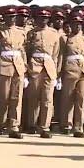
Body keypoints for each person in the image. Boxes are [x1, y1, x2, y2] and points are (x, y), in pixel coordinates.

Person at [0, 6, 27, 138]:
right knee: (3, 98)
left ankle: (14, 126)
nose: (12, 19)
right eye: (9, 17)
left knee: (16, 98)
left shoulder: (21, 32)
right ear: (5, 18)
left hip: (18, 66)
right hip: (4, 65)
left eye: (13, 17)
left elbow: (23, 51)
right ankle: (0, 125)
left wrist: (26, 69)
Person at [25, 9, 60, 138]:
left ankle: (45, 127)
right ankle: (31, 124)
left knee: (47, 98)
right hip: (35, 65)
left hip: (49, 66)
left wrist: (56, 71)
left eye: (45, 18)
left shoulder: (54, 33)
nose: (43, 20)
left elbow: (56, 53)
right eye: (40, 17)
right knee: (33, 97)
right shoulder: (31, 33)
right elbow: (27, 51)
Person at [58, 15, 84, 137]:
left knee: (82, 98)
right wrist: (58, 74)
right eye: (75, 23)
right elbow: (61, 56)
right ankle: (66, 124)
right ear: (71, 25)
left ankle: (78, 127)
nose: (77, 26)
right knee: (68, 98)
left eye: (79, 24)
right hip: (70, 69)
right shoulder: (65, 39)